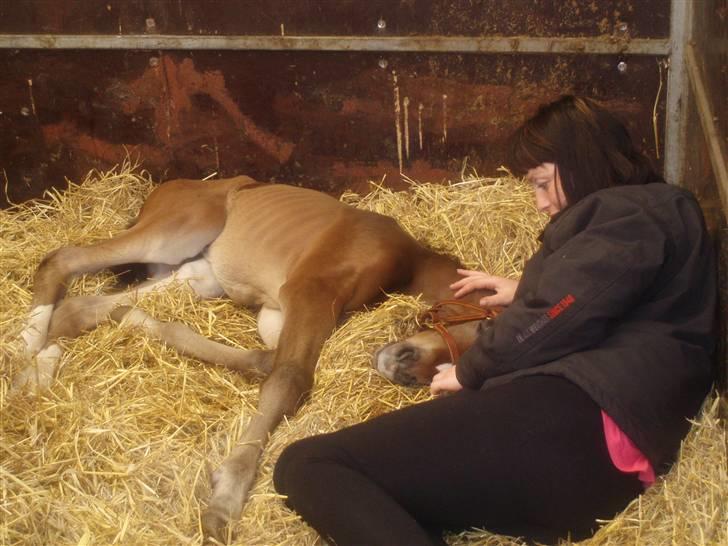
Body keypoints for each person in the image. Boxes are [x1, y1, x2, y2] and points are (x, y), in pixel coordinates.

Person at [273, 96, 717, 545]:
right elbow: (592, 300)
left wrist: (471, 369)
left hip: (580, 420)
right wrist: (527, 290)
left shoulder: (634, 211)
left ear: (581, 162)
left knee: (310, 465)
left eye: (543, 183)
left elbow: (559, 314)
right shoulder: (649, 221)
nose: (539, 203)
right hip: (596, 456)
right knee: (395, 500)